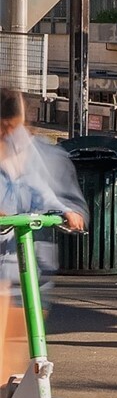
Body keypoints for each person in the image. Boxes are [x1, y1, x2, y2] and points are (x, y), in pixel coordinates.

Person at [1, 90, 86, 369]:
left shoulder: (39, 157)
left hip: (29, 275)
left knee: (17, 363)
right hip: (7, 277)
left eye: (16, 127)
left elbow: (44, 192)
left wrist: (65, 212)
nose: (12, 135)